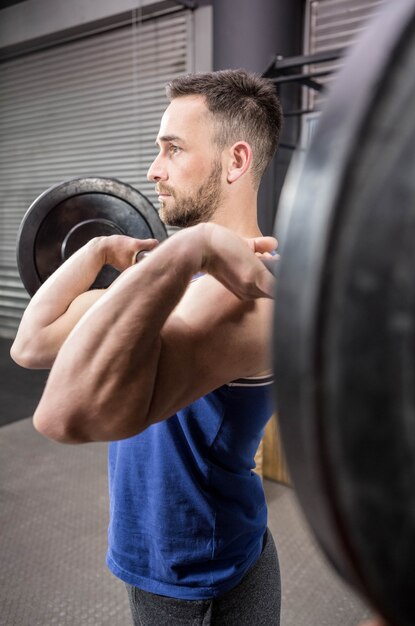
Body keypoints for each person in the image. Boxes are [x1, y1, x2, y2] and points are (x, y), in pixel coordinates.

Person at [11, 69, 283, 625]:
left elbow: (64, 413)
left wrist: (194, 249)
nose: (153, 169)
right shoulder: (173, 277)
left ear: (235, 162)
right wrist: (100, 250)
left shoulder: (245, 297)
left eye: (173, 149)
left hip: (196, 574)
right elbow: (33, 343)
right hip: (159, 553)